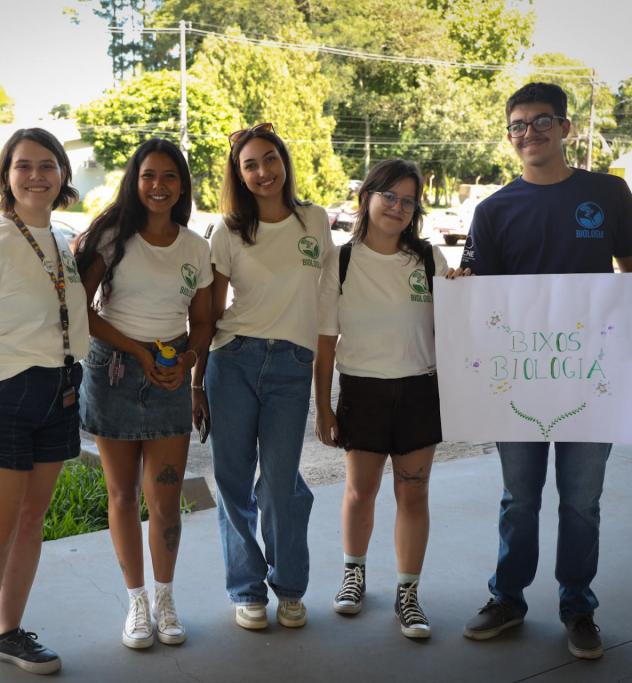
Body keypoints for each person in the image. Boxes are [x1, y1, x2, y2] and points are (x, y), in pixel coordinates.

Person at [457, 82, 632, 659]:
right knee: (520, 498)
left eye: (540, 122)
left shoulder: (606, 194)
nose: (528, 134)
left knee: (582, 500)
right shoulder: (493, 210)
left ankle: (578, 606)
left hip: (591, 379)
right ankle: (507, 597)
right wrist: (460, 293)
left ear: (566, 128)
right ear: (509, 136)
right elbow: (478, 293)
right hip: (521, 380)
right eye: (517, 126)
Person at [0, 128, 89, 681]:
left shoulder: (62, 240)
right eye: (23, 165)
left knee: (32, 522)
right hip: (2, 397)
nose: (36, 175)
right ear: (7, 175)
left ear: (62, 175)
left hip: (59, 390)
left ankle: (7, 635)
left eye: (47, 165)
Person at [191, 123, 333, 630]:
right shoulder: (228, 230)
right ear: (238, 174)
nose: (262, 172)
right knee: (232, 481)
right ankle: (247, 589)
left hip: (292, 365)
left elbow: (327, 304)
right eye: (250, 165)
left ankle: (290, 586)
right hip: (233, 361)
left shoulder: (314, 220)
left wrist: (325, 391)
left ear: (284, 161)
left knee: (279, 483)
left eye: (269, 159)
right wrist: (195, 382)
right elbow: (209, 311)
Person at [74, 138, 213, 649]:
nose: (159, 186)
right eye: (149, 175)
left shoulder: (196, 246)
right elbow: (83, 311)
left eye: (170, 177)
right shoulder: (113, 237)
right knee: (123, 495)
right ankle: (136, 604)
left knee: (167, 498)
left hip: (170, 374)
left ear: (182, 186)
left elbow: (202, 320)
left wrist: (190, 361)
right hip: (114, 369)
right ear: (135, 181)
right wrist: (136, 352)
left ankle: (165, 599)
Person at [315, 159, 461, 639]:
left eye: (408, 200)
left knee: (413, 492)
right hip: (362, 388)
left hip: (420, 389)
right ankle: (352, 574)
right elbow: (325, 343)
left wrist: (464, 296)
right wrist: (324, 406)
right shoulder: (341, 260)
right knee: (361, 492)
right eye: (389, 196)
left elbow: (454, 328)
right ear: (367, 198)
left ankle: (408, 592)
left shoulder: (428, 259)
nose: (398, 207)